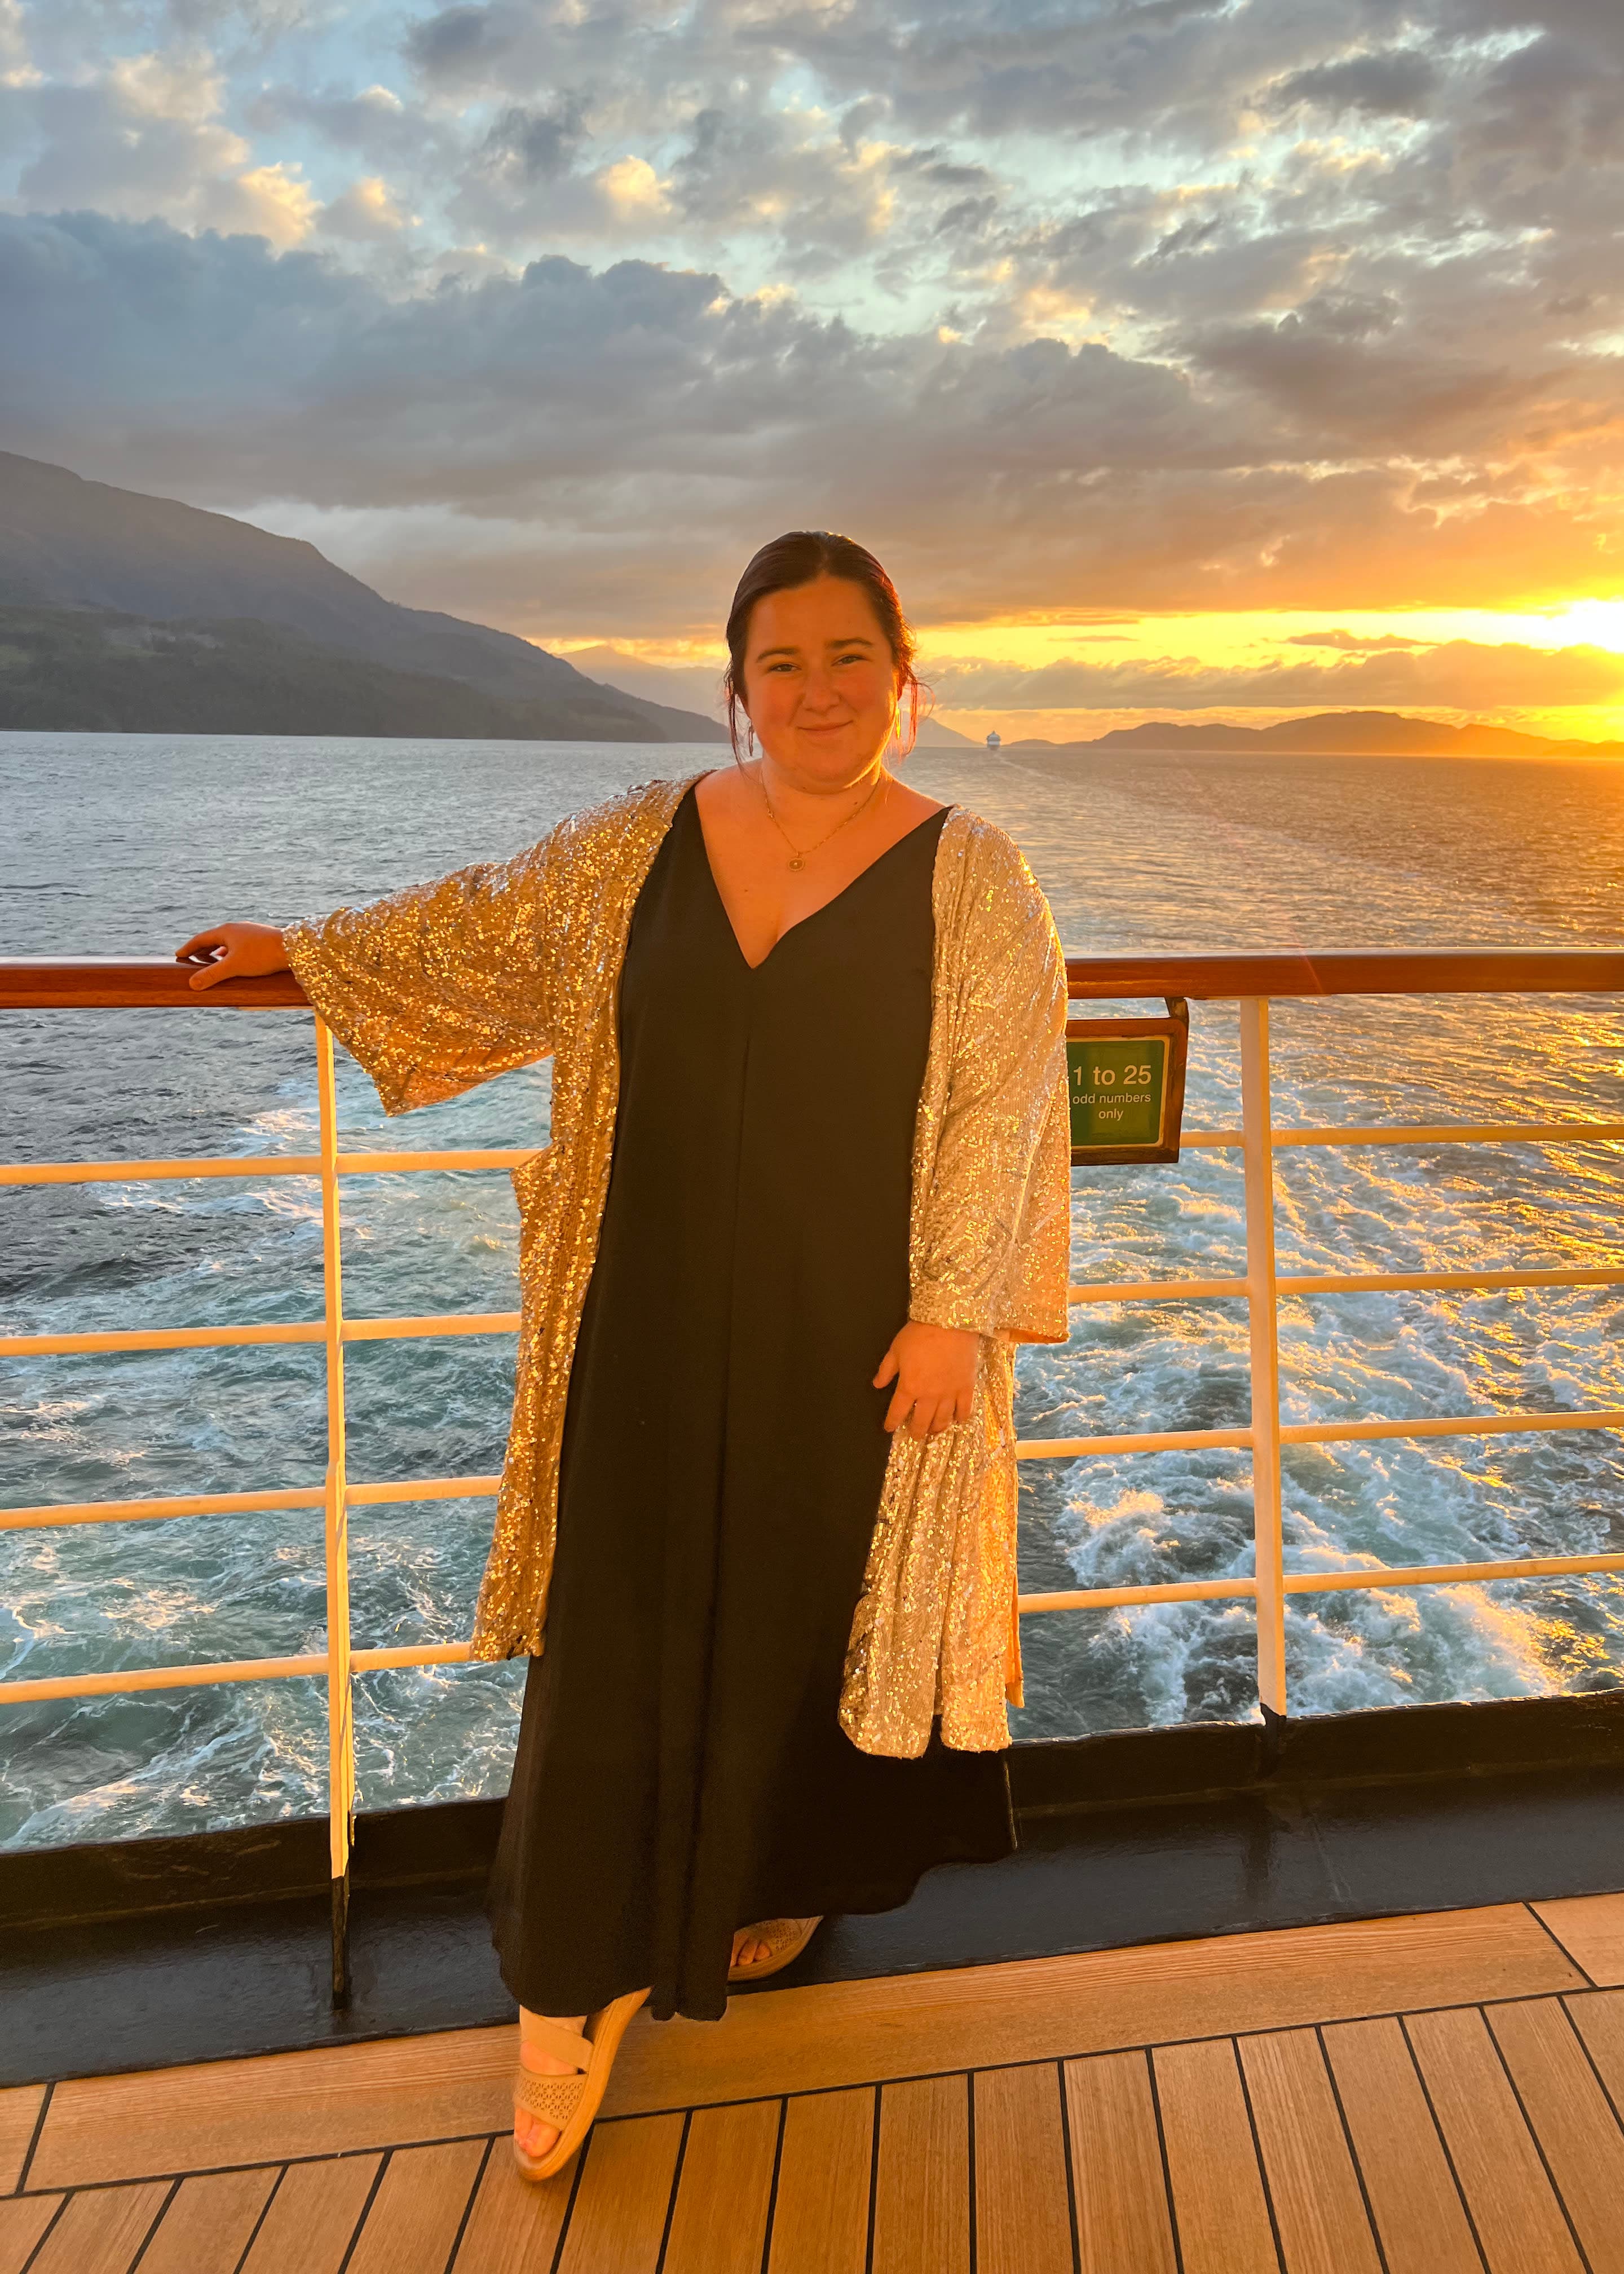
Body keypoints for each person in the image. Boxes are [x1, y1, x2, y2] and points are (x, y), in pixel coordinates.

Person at [178, 530, 1070, 2180]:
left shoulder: (978, 875)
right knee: (615, 1629)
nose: (816, 689)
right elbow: (484, 931)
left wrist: (956, 1313)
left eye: (849, 657)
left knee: (803, 1616)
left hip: (855, 1335)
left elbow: (1002, 1107)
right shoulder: (643, 842)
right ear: (739, 687)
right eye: (782, 661)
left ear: (905, 679)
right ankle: (566, 1981)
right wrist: (307, 949)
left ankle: (759, 1883)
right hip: (637, 1306)